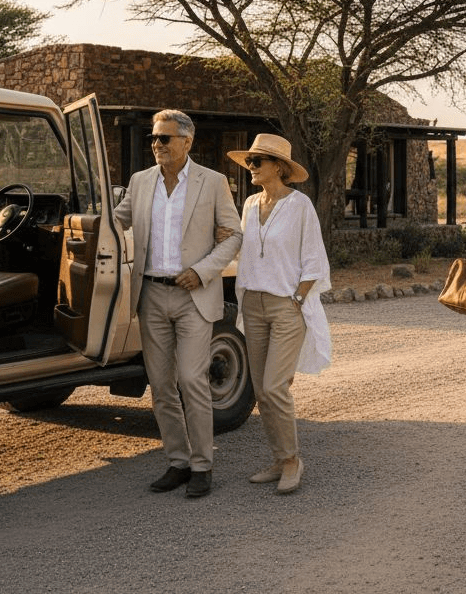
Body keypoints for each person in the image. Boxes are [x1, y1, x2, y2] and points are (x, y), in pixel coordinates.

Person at [113, 109, 242, 498]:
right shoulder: (139, 181)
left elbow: (234, 236)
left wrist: (202, 271)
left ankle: (203, 465)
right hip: (150, 294)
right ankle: (178, 462)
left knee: (191, 379)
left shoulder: (213, 182)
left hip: (193, 295)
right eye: (153, 138)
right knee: (161, 384)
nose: (157, 145)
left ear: (187, 141)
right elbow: (113, 222)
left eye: (164, 138)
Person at [226, 133, 331, 494]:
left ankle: (291, 461)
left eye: (257, 161)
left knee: (274, 386)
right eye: (249, 162)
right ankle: (278, 457)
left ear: (279, 167)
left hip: (286, 305)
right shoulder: (250, 204)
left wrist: (297, 301)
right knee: (262, 389)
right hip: (252, 305)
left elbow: (314, 260)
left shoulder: (300, 205)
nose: (250, 167)